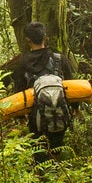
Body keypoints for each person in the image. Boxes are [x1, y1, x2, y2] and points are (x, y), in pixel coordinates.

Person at [12, 21, 73, 162]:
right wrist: (75, 107)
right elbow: (70, 83)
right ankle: (58, 169)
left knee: (39, 149)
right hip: (60, 111)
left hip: (36, 116)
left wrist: (20, 117)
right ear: (45, 37)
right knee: (57, 145)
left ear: (28, 40)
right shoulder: (59, 59)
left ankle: (41, 172)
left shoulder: (23, 63)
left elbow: (19, 91)